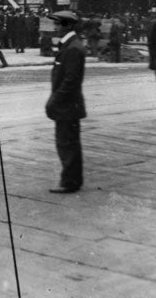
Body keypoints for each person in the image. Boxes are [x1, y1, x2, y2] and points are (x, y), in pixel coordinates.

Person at [44, 10, 85, 193]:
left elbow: (70, 80)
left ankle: (70, 182)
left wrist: (54, 100)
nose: (54, 28)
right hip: (67, 105)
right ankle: (72, 180)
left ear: (66, 25)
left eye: (57, 24)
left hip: (67, 105)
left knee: (67, 144)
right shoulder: (69, 45)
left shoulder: (73, 47)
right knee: (68, 143)